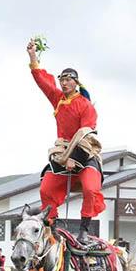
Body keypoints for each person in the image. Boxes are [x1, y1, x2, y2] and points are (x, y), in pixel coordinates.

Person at [27, 40, 104, 243]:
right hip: (62, 153)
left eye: (68, 80)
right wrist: (33, 57)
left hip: (85, 154)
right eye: (62, 79)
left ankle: (84, 229)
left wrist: (75, 158)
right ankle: (52, 226)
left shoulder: (85, 105)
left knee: (89, 188)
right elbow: (42, 82)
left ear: (76, 82)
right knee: (46, 188)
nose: (64, 83)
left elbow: (87, 133)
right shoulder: (58, 99)